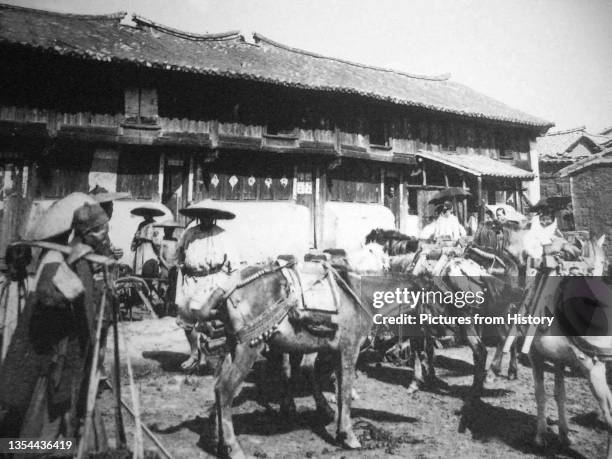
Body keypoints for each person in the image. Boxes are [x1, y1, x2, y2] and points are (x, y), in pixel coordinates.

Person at [0, 195, 113, 453]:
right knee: (45, 423)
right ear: (85, 232)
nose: (105, 236)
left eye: (106, 229)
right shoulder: (57, 259)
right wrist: (68, 277)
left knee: (74, 416)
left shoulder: (85, 257)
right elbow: (48, 296)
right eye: (100, 231)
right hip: (53, 358)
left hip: (78, 353)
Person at [175, 200, 237, 372]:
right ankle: (194, 354)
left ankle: (216, 356)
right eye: (202, 215)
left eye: (209, 215)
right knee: (186, 319)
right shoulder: (189, 234)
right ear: (198, 217)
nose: (206, 219)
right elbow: (179, 258)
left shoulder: (222, 235)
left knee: (211, 320)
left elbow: (234, 267)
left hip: (213, 280)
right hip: (191, 281)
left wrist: (223, 287)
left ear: (215, 217)